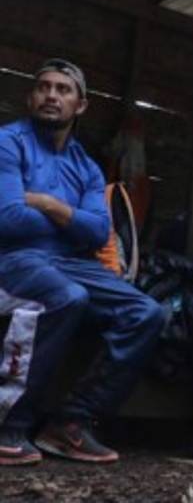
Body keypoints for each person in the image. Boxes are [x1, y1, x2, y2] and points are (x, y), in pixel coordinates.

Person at [0, 58, 166, 465]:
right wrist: (71, 220)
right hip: (12, 260)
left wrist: (48, 203)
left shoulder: (87, 168)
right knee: (66, 296)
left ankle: (70, 424)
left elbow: (98, 233)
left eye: (63, 89)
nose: (52, 95)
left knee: (147, 311)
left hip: (69, 263)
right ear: (30, 96)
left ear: (81, 105)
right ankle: (9, 424)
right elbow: (7, 218)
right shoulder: (8, 142)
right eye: (44, 87)